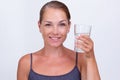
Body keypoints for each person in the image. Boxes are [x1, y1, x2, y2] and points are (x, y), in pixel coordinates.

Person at [17, 1, 101, 80]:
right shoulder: (26, 63)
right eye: (48, 24)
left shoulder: (81, 59)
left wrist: (90, 56)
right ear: (39, 26)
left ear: (68, 26)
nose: (55, 32)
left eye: (62, 24)